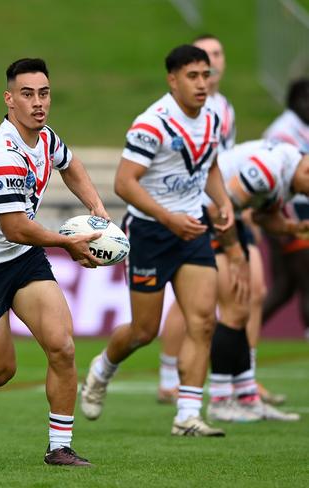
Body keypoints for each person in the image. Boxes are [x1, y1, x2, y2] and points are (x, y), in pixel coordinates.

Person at [0, 58, 109, 467]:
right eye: (27, 94)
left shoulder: (46, 139)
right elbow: (15, 227)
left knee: (62, 346)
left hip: (24, 261)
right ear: (9, 99)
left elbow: (72, 165)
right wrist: (67, 242)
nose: (38, 102)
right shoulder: (2, 152)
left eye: (44, 93)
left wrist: (97, 208)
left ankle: (59, 447)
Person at [80, 45, 235, 437]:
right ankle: (101, 371)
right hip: (151, 232)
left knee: (202, 321)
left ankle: (187, 415)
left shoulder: (214, 117)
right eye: (193, 76)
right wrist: (169, 219)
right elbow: (123, 183)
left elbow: (209, 165)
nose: (202, 83)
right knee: (144, 331)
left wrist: (222, 201)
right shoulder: (152, 124)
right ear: (173, 79)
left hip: (193, 231)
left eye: (206, 75)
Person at [156, 35, 269, 407]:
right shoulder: (167, 114)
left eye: (218, 55)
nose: (212, 63)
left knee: (251, 291)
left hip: (226, 207)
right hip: (196, 211)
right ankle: (171, 377)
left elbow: (222, 162)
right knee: (190, 301)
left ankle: (242, 377)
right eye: (205, 57)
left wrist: (234, 206)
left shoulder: (224, 110)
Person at [202, 139, 306, 422]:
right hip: (205, 217)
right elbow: (218, 209)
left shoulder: (291, 172)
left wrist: (292, 227)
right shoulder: (269, 168)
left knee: (245, 306)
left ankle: (247, 396)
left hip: (224, 220)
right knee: (235, 309)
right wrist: (235, 255)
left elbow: (262, 215)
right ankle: (221, 400)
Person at [262, 78, 309, 344]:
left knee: (283, 288)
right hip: (285, 213)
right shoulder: (282, 131)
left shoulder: (302, 127)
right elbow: (274, 180)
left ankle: (241, 340)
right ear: (299, 99)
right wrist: (284, 222)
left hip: (297, 212)